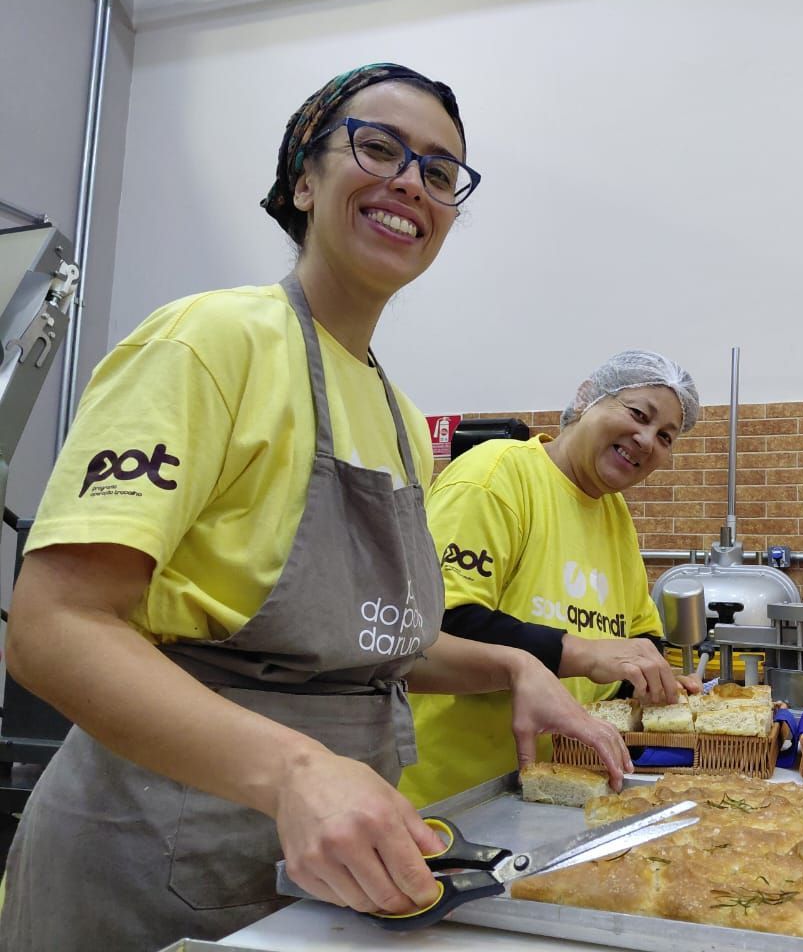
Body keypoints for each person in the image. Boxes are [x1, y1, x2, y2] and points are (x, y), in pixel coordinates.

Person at [0, 63, 629, 951]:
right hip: (156, 852)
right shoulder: (209, 342)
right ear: (303, 179)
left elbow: (364, 640)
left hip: (334, 871)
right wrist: (295, 770)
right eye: (379, 148)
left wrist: (515, 667)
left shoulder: (398, 414)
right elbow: (52, 626)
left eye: (439, 172)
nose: (410, 182)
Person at [398, 351, 701, 807]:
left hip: (554, 790)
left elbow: (637, 635)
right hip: (453, 798)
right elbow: (435, 624)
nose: (645, 440)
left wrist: (653, 679)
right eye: (639, 414)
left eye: (665, 437)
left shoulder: (613, 512)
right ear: (585, 398)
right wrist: (585, 655)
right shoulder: (496, 476)